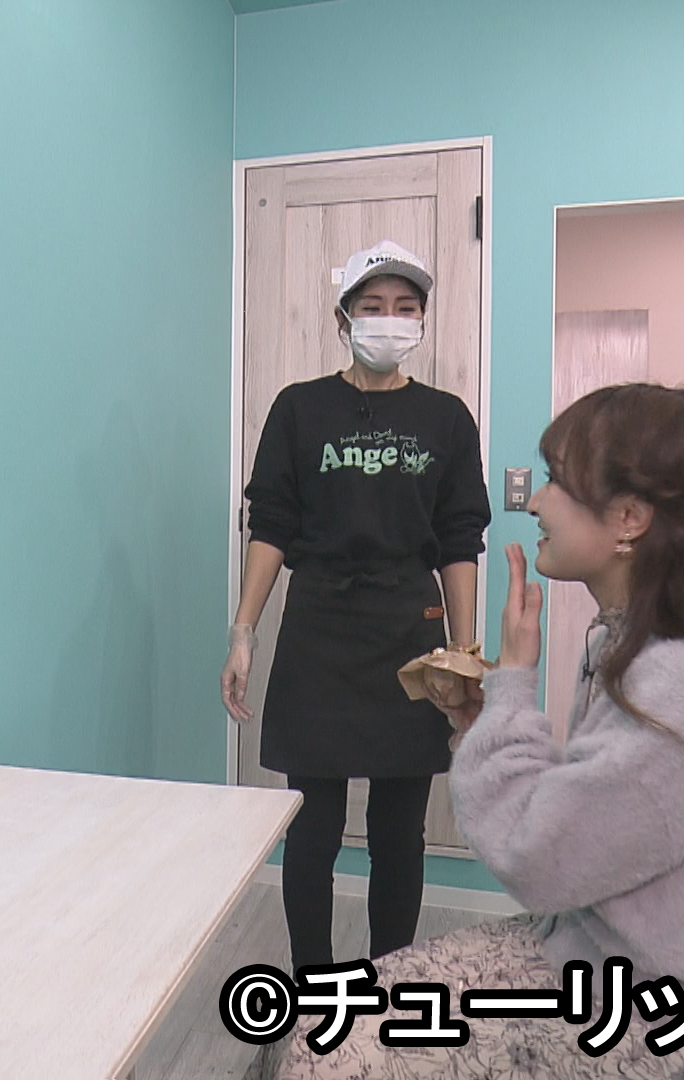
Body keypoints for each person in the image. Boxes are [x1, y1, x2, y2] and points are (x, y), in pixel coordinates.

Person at [278, 383, 684, 1079]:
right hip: (602, 949)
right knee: (327, 1012)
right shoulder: (635, 641)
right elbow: (599, 814)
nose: (534, 502)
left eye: (555, 481)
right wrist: (487, 719)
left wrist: (514, 684)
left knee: (326, 1051)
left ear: (629, 519)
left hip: (683, 1016)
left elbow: (540, 857)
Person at [223, 240, 491, 975]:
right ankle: (315, 983)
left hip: (412, 630)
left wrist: (464, 654)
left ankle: (389, 981)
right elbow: (270, 525)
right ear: (343, 318)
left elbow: (459, 539)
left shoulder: (446, 418)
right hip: (319, 627)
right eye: (373, 306)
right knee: (310, 828)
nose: (389, 320)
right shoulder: (298, 408)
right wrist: (243, 633)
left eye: (405, 308)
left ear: (423, 321)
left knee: (399, 832)